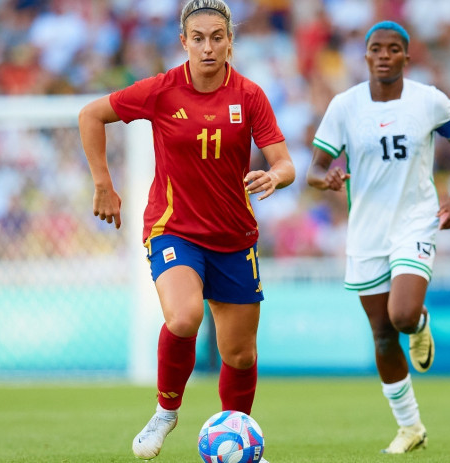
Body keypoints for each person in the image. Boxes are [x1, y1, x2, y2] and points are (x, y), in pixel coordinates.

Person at [78, 0, 294, 460]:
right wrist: (102, 183)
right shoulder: (161, 90)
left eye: (218, 37)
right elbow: (90, 115)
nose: (209, 47)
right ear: (184, 42)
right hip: (173, 228)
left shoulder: (249, 95)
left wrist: (275, 176)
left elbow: (285, 162)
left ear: (230, 41)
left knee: (240, 356)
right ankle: (165, 410)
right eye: (199, 38)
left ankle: (237, 436)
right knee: (183, 317)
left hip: (234, 237)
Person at [306, 21, 450, 454]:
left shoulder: (428, 101)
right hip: (366, 231)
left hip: (415, 220)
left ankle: (418, 322)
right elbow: (314, 168)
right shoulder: (345, 106)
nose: (384, 55)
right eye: (376, 48)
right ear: (365, 56)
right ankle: (411, 428)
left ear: (406, 57)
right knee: (381, 334)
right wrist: (327, 179)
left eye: (393, 48)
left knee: (400, 315)